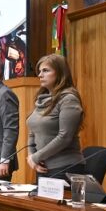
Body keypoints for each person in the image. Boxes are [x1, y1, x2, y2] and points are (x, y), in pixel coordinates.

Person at [26, 53, 84, 181]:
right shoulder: (41, 100)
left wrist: (36, 157)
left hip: (65, 168)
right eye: (39, 71)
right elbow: (32, 132)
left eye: (45, 70)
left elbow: (65, 137)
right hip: (42, 167)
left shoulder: (69, 99)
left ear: (60, 73)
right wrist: (31, 156)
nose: (40, 75)